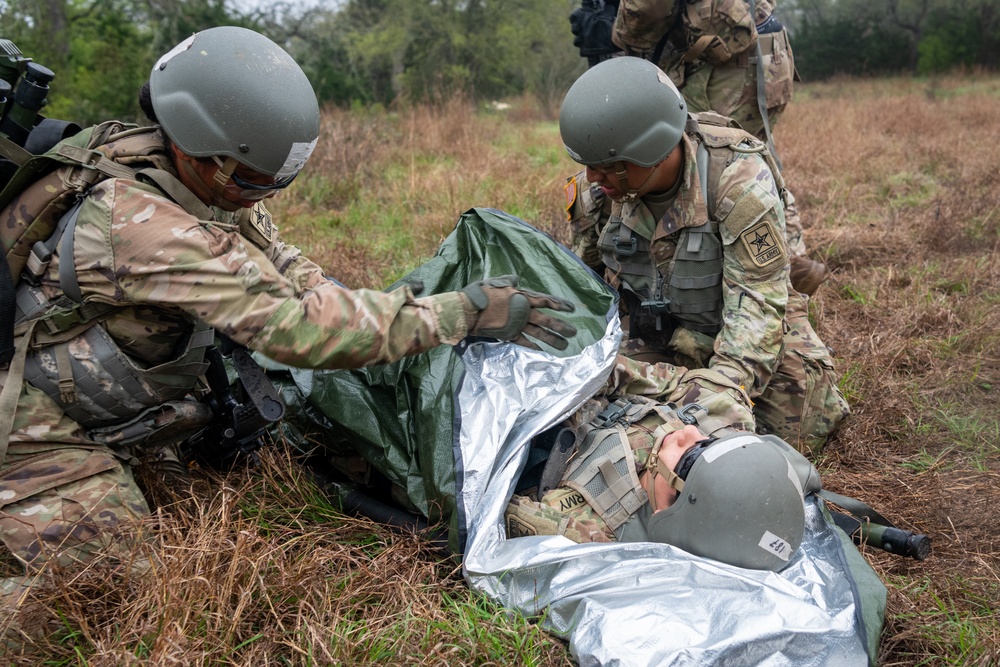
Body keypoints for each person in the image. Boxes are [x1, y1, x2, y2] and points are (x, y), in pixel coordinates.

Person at [0, 26, 577, 598]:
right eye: (252, 180)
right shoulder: (142, 226)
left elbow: (297, 277)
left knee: (201, 509)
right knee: (112, 586)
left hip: (115, 402)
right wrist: (462, 313)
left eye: (278, 182)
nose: (263, 197)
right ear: (195, 146)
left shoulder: (192, 179)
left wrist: (379, 312)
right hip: (27, 416)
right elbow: (298, 330)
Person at [559, 56, 848, 455]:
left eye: (607, 166)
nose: (592, 177)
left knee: (797, 421)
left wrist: (720, 393)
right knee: (592, 418)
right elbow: (584, 290)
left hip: (733, 321)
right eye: (588, 165)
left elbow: (757, 306)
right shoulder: (599, 196)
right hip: (655, 333)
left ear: (652, 149)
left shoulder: (737, 181)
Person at [568, 0, 830, 295]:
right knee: (739, 159)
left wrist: (615, 33)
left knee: (712, 157)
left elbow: (649, 7)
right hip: (754, 47)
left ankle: (772, 276)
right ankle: (785, 264)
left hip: (727, 60)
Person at [505, 364, 821, 571]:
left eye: (688, 456)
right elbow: (659, 377)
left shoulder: (582, 534)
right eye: (708, 443)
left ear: (666, 515)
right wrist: (590, 372)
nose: (688, 433)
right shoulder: (726, 418)